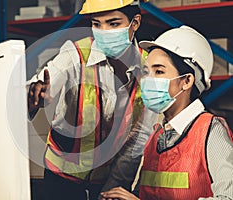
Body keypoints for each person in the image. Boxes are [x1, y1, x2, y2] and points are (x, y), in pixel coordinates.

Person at [27, 0, 157, 199]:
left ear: (135, 23)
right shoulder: (75, 53)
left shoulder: (149, 67)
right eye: (97, 24)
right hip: (60, 181)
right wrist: (34, 93)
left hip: (105, 183)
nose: (103, 31)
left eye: (113, 24)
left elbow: (138, 138)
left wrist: (113, 187)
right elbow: (48, 79)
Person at [100, 25, 233, 200]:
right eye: (146, 72)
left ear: (186, 81)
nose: (148, 81)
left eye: (159, 71)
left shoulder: (210, 131)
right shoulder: (157, 135)